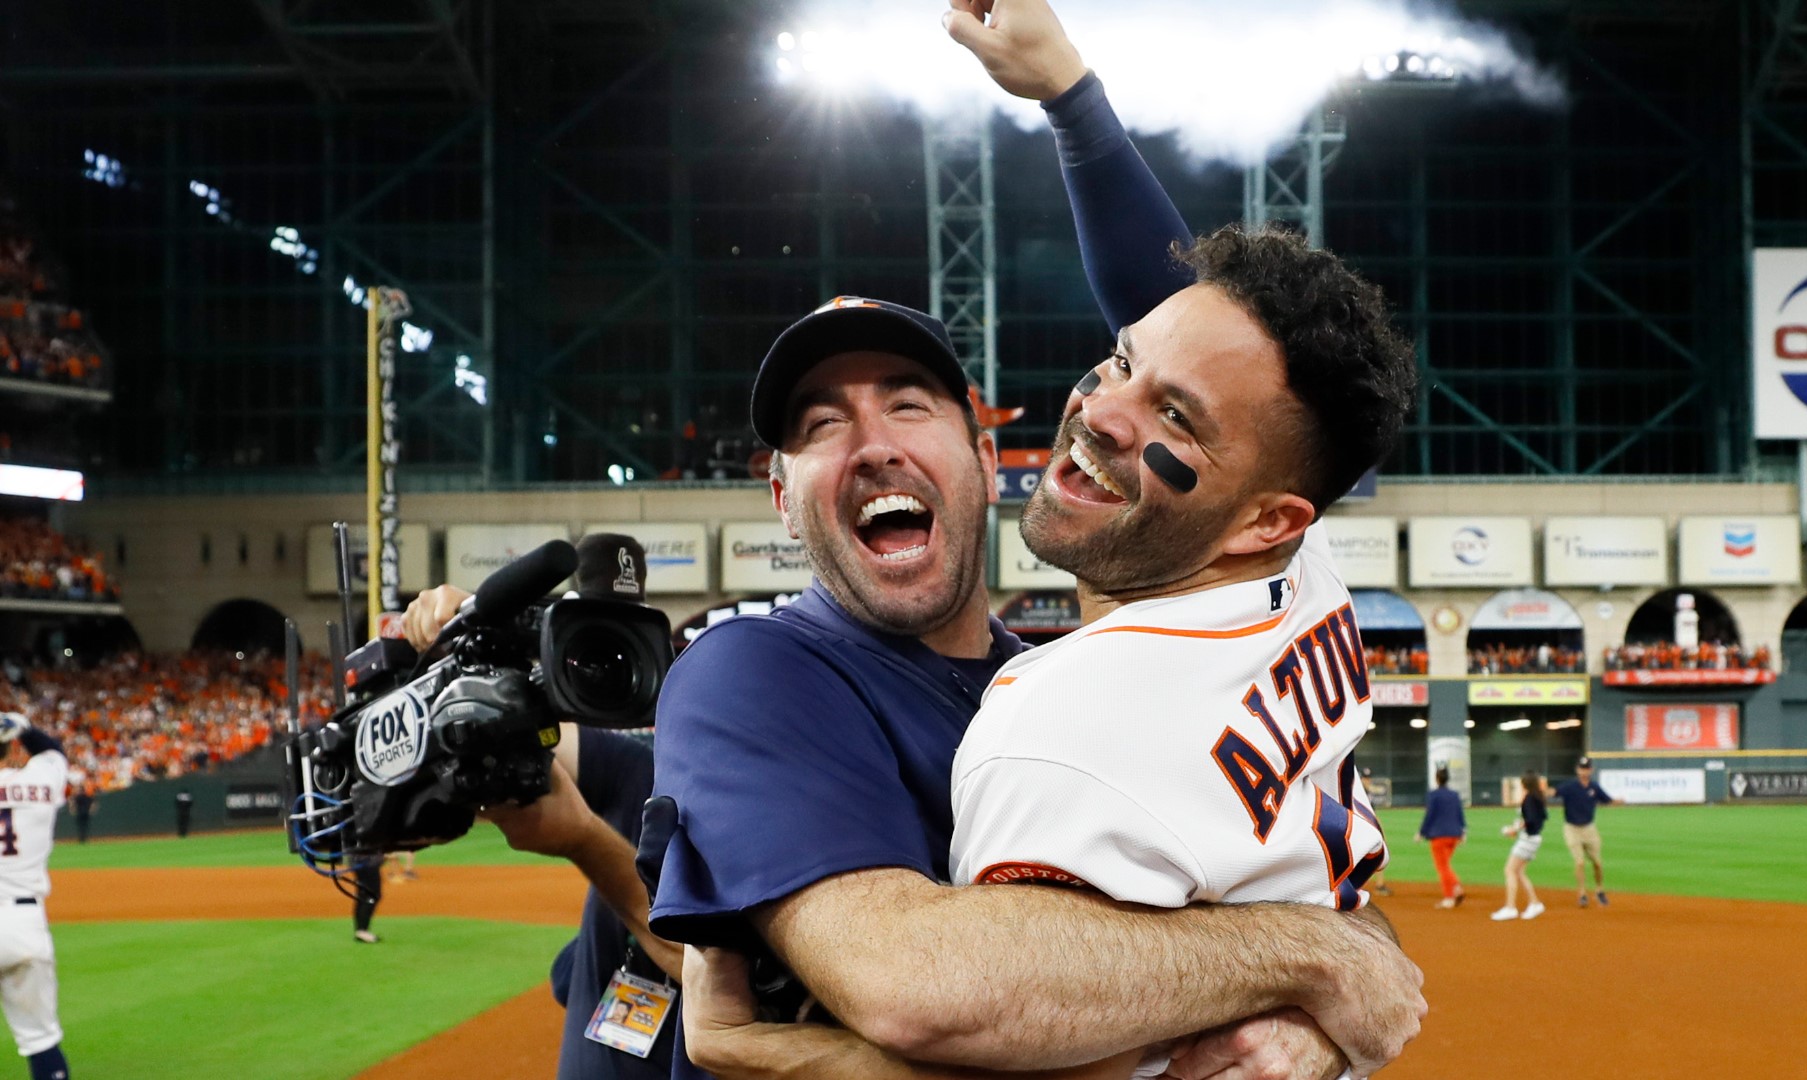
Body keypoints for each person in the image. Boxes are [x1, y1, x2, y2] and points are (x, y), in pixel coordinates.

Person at [650, 9, 1424, 1080]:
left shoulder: (1066, 689)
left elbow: (1215, 352)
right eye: (821, 426)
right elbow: (920, 988)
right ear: (782, 497)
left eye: (911, 406)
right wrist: (1318, 961)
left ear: (982, 448)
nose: (872, 446)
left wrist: (1332, 974)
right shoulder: (754, 673)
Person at [402, 564, 683, 1079]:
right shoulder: (642, 768)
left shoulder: (814, 828)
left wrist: (584, 839)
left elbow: (708, 966)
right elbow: (517, 729)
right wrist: (480, 647)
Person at [0, 712, 73, 1080]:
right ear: (14, 745)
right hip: (23, 925)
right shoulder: (42, 778)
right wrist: (20, 723)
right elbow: (54, 750)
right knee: (40, 1040)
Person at [1555, 755, 1617, 907]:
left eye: (1587, 768)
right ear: (1577, 770)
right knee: (1580, 862)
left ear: (1591, 770)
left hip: (1589, 829)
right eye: (1582, 768)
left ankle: (1599, 890)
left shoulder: (1594, 787)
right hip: (1572, 829)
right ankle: (1582, 894)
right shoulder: (1569, 787)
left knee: (1597, 863)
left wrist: (1619, 801)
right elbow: (1554, 792)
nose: (1584, 771)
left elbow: (1607, 800)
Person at [1492, 770, 1548, 922]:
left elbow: (1529, 820)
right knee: (1519, 872)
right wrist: (1518, 828)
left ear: (1524, 784)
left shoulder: (1529, 798)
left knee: (1509, 870)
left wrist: (1513, 829)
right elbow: (1542, 817)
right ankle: (1535, 904)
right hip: (1534, 838)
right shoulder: (1538, 798)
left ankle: (1510, 908)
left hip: (1528, 840)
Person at [1419, 767, 1467, 909]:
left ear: (1437, 779)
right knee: (1446, 865)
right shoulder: (1454, 794)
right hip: (1454, 835)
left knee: (1443, 867)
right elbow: (1459, 813)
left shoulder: (1433, 795)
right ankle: (1454, 890)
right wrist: (1463, 831)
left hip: (1439, 836)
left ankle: (1451, 895)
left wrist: (1422, 832)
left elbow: (1430, 815)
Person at [351, 853, 384, 944]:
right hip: (367, 862)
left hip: (360, 861)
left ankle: (361, 930)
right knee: (372, 895)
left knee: (363, 895)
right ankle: (362, 931)